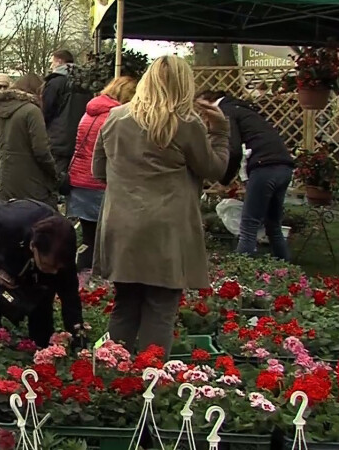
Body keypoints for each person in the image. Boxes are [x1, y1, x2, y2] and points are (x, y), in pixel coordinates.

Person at [92, 56, 229, 355]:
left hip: (123, 225)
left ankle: (116, 379)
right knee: (161, 309)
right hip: (167, 229)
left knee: (125, 306)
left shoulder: (115, 118)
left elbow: (98, 172)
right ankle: (150, 382)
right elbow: (215, 169)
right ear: (184, 84)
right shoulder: (186, 123)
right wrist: (220, 132)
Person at [196, 90, 295, 261]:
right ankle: (286, 269)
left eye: (203, 108)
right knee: (273, 224)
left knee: (248, 225)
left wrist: (224, 179)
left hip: (264, 168)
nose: (203, 115)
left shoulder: (225, 112)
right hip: (283, 167)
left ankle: (239, 275)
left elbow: (233, 151)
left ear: (210, 101)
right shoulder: (244, 110)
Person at [0, 199, 83, 348]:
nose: (54, 271)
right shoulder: (10, 224)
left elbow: (70, 294)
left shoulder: (63, 246)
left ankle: (40, 351)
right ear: (33, 247)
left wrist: (78, 336)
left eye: (58, 267)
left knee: (42, 307)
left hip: (27, 257)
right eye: (48, 265)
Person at [67, 76, 137, 272]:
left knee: (88, 237)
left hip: (80, 180)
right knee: (108, 237)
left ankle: (81, 276)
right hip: (100, 181)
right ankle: (100, 276)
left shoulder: (89, 113)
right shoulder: (115, 117)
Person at [0, 73, 58, 206]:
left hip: (7, 177)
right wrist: (54, 172)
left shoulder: (3, 111)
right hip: (31, 179)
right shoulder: (32, 111)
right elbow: (41, 150)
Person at [42, 49, 90, 181]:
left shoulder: (55, 82)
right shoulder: (84, 82)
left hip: (58, 138)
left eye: (52, 62)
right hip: (81, 136)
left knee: (55, 178)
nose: (51, 66)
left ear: (59, 61)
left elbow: (46, 109)